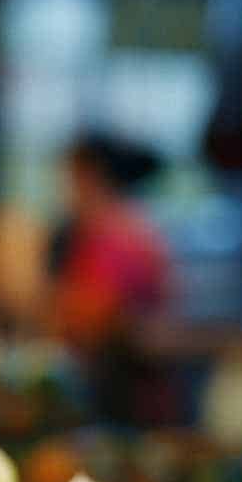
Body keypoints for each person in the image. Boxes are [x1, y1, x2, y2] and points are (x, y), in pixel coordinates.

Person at [47, 132, 174, 425]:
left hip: (127, 394)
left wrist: (63, 308)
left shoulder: (121, 235)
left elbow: (94, 316)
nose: (66, 189)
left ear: (92, 177)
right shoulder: (106, 229)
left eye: (71, 178)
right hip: (118, 384)